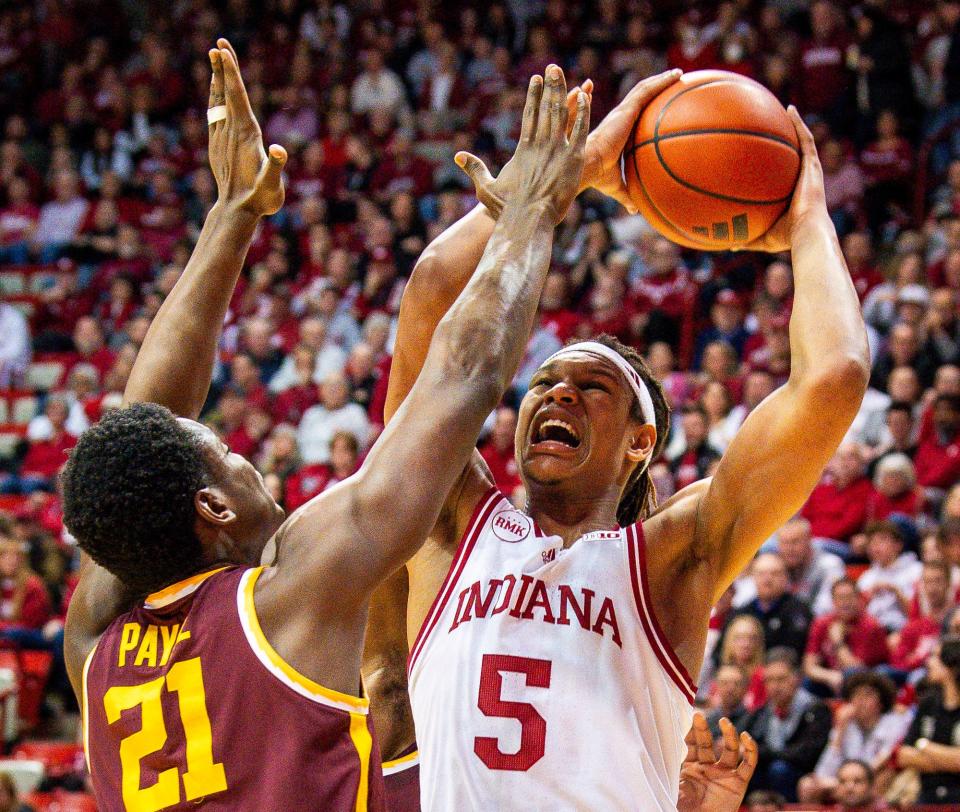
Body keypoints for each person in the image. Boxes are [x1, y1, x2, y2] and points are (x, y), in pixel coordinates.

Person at [64, 46, 592, 810]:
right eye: (228, 455)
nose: (249, 462)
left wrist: (234, 212)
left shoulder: (94, 652)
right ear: (212, 511)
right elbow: (460, 382)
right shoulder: (287, 600)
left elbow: (146, 431)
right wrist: (532, 217)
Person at [363, 78, 870, 809]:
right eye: (545, 382)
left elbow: (835, 377)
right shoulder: (452, 521)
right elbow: (435, 287)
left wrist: (808, 224)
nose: (559, 392)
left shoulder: (673, 558)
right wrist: (571, 178)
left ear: (642, 441)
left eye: (592, 386)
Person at [799, 672, 911, 802]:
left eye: (867, 695)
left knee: (882, 776)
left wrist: (847, 781)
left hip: (873, 779)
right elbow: (823, 771)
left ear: (881, 701)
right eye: (855, 695)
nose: (860, 701)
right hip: (845, 781)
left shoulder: (894, 722)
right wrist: (840, 732)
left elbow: (884, 759)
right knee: (807, 785)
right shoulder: (845, 724)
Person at [745, 648, 833, 801]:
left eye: (781, 679)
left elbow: (805, 755)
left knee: (780, 770)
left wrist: (761, 752)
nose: (774, 686)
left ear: (797, 679)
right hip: (769, 771)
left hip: (803, 776)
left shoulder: (816, 709)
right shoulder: (762, 712)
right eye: (769, 680)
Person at [895, 636, 960, 804]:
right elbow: (903, 755)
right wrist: (949, 762)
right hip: (928, 796)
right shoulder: (928, 702)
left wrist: (924, 746)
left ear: (952, 665)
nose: (928, 662)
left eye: (935, 657)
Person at [803, 578, 889, 696]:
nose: (845, 603)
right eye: (840, 598)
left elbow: (856, 671)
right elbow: (809, 666)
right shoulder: (822, 623)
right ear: (833, 602)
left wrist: (838, 642)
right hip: (835, 678)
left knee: (849, 675)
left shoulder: (871, 626)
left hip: (870, 681)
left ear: (859, 599)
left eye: (850, 597)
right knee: (808, 682)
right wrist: (830, 676)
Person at [726, 552, 813, 661]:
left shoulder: (799, 612)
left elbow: (798, 652)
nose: (767, 580)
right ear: (752, 577)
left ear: (786, 577)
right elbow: (720, 655)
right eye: (761, 574)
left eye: (774, 574)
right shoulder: (739, 614)